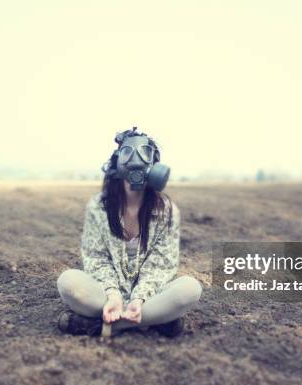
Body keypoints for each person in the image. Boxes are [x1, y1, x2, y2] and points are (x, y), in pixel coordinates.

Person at [56, 127, 202, 337]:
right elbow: (96, 259)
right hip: (104, 295)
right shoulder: (98, 207)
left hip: (150, 296)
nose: (137, 160)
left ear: (155, 164)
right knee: (68, 282)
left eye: (144, 153)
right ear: (116, 162)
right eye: (128, 153)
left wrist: (139, 299)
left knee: (190, 289)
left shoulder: (167, 211)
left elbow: (162, 266)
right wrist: (113, 295)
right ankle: (155, 321)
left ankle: (104, 326)